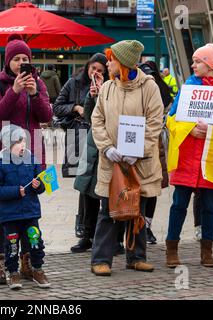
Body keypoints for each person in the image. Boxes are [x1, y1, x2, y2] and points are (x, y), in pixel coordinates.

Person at [165, 41, 213, 268]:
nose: (193, 65)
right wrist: (191, 129)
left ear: (210, 64)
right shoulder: (189, 84)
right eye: (194, 61)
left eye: (198, 61)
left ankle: (207, 251)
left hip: (212, 158)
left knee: (210, 207)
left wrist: (211, 131)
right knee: (178, 204)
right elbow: (172, 117)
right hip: (188, 156)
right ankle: (172, 249)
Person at [90, 40, 164, 276]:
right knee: (108, 211)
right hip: (111, 160)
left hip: (139, 163)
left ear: (122, 63)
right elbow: (97, 119)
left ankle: (136, 257)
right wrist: (107, 146)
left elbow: (155, 123)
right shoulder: (108, 88)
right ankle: (101, 259)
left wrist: (138, 150)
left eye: (111, 59)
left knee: (137, 210)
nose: (107, 63)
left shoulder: (149, 87)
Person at [0, 34, 52, 285]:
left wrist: (35, 95)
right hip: (3, 149)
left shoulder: (38, 83)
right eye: (16, 59)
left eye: (25, 58)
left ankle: (28, 261)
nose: (21, 62)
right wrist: (14, 91)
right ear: (7, 61)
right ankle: (0, 260)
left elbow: (46, 115)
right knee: (3, 204)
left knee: (31, 201)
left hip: (33, 148)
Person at [53, 53, 110, 252]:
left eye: (100, 71)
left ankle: (102, 236)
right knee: (84, 186)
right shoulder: (74, 83)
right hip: (79, 137)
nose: (95, 73)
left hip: (100, 141)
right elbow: (57, 107)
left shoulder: (110, 88)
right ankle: (85, 233)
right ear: (87, 68)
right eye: (93, 69)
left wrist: (100, 94)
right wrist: (76, 107)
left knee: (100, 188)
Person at [0, 124, 50, 289]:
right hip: (10, 215)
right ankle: (13, 272)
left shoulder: (32, 160)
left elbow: (42, 185)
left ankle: (38, 269)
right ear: (8, 145)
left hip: (30, 213)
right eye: (18, 142)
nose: (23, 145)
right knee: (12, 245)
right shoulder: (0, 163)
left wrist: (39, 185)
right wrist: (16, 191)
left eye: (24, 141)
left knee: (35, 241)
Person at [138, 60, 173, 245]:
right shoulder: (135, 88)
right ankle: (136, 226)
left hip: (155, 144)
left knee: (151, 188)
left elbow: (167, 114)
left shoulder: (163, 91)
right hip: (135, 140)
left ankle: (147, 227)